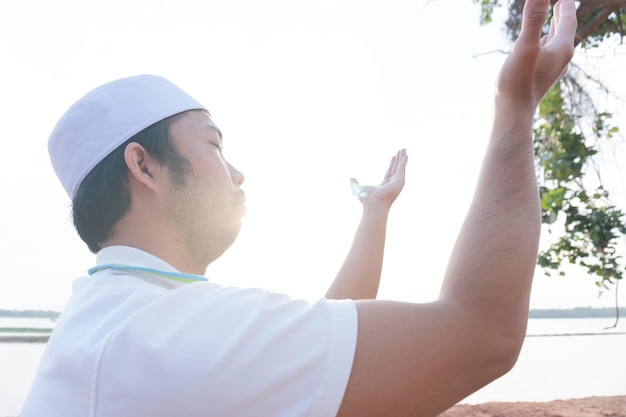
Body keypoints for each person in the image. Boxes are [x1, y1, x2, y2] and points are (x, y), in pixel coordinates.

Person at [21, 0, 577, 415]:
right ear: (144, 167)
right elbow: (480, 336)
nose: (237, 172)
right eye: (214, 144)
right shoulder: (167, 331)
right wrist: (517, 106)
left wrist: (374, 214)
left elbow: (319, 357)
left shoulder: (115, 314)